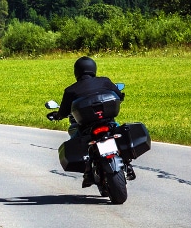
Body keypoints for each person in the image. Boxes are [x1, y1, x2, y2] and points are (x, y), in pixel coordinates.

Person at [48, 56, 132, 186]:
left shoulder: (70, 90)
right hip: (107, 121)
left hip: (86, 125)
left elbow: (64, 111)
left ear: (77, 71)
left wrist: (57, 115)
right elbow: (119, 95)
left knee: (76, 140)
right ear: (93, 68)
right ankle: (127, 161)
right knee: (118, 130)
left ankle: (87, 171)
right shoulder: (104, 81)